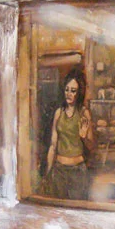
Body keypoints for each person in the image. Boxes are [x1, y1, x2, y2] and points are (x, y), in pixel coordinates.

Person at [41, 69, 95, 200]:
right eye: (67, 90)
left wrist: (83, 137)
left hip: (78, 172)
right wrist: (48, 172)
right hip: (59, 170)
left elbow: (91, 146)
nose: (69, 94)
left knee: (76, 208)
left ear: (79, 93)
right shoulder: (58, 113)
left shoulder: (84, 113)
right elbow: (53, 145)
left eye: (73, 91)